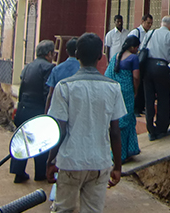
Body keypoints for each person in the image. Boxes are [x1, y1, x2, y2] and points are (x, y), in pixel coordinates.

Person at [46, 33, 126, 213]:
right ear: (100, 56)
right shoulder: (113, 87)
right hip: (99, 162)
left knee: (62, 209)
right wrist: (118, 166)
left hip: (70, 161)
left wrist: (51, 160)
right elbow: (115, 131)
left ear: (76, 54)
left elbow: (60, 130)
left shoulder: (64, 87)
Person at [10, 39, 55, 183]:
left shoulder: (28, 66)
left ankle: (19, 172)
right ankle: (40, 173)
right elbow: (47, 92)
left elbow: (22, 87)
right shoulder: (48, 67)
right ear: (49, 53)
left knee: (23, 140)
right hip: (37, 108)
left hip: (24, 107)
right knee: (41, 142)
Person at [143, 15, 170, 141]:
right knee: (164, 99)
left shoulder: (150, 33)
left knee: (149, 100)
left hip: (147, 68)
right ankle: (161, 129)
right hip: (161, 68)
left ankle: (150, 130)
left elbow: (142, 49)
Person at [104, 35, 141, 162]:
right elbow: (136, 77)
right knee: (126, 121)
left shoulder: (115, 57)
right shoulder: (133, 58)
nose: (137, 49)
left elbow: (107, 75)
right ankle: (123, 154)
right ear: (132, 47)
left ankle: (117, 152)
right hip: (127, 93)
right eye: (137, 47)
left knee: (118, 121)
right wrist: (135, 91)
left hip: (115, 93)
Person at [45, 37, 80, 112]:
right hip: (77, 109)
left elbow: (50, 94)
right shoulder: (82, 69)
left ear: (67, 51)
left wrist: (46, 114)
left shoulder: (57, 69)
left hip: (60, 110)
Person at [128, 15, 153, 115]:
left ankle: (141, 106)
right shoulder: (136, 32)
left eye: (151, 23)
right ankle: (135, 109)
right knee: (136, 84)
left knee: (143, 86)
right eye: (148, 23)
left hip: (144, 63)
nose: (150, 25)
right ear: (142, 21)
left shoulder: (150, 33)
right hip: (136, 62)